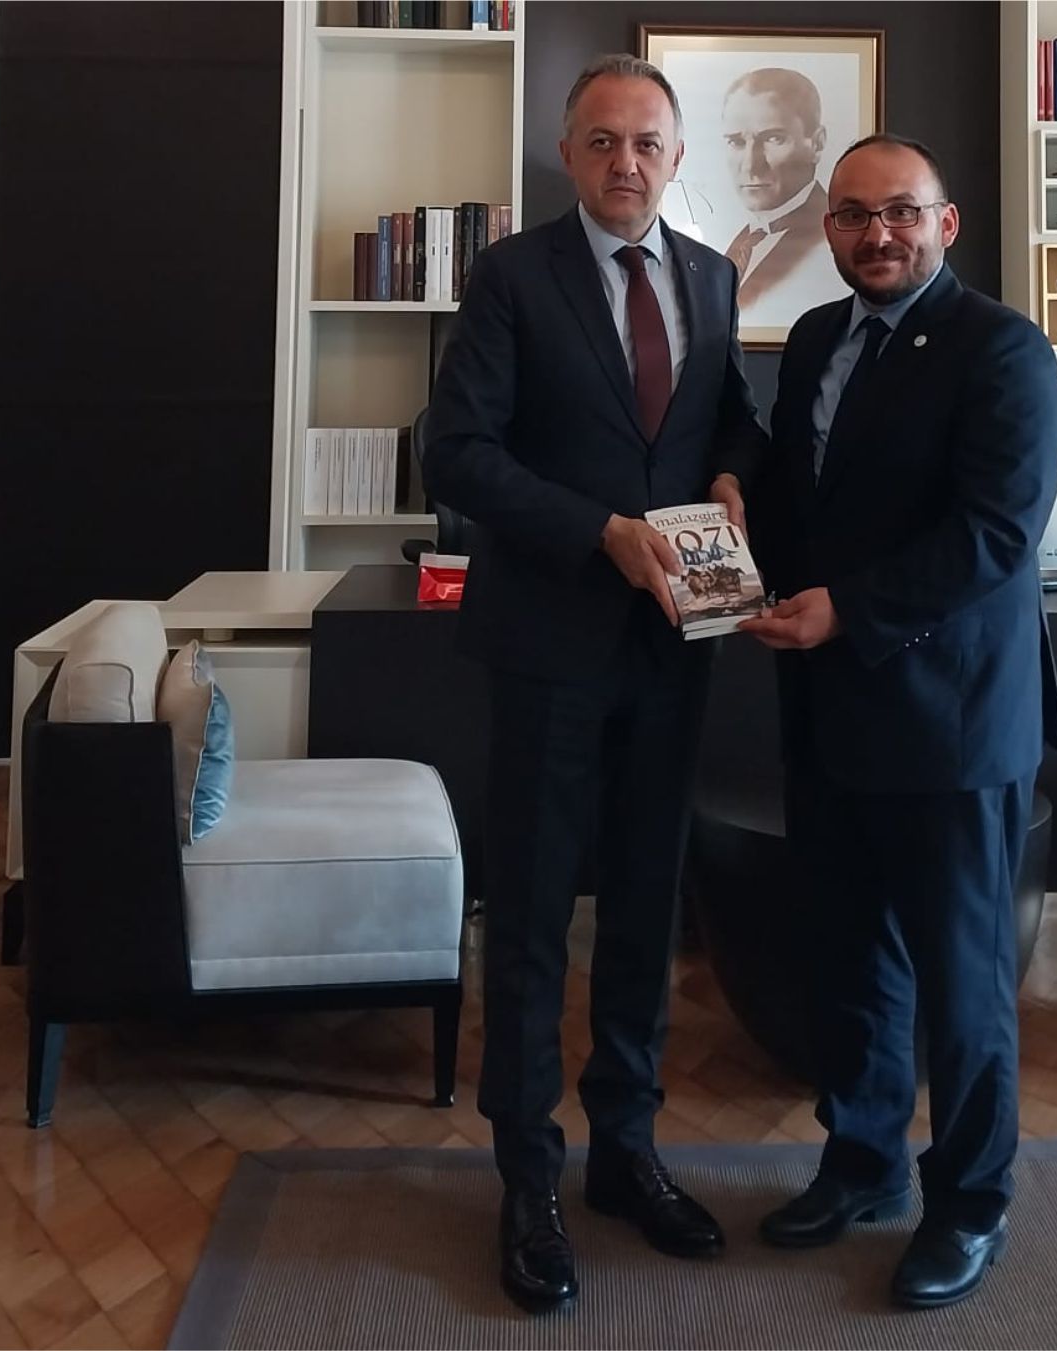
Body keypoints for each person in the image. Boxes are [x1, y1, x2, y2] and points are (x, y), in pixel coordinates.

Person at [422, 53, 765, 1314]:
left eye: (647, 142)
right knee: (526, 916)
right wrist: (599, 533)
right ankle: (528, 1178)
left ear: (677, 158)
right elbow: (456, 452)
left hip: (675, 646)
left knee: (644, 905)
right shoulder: (513, 276)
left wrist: (730, 477)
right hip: (547, 643)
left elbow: (730, 418)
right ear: (568, 154)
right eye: (603, 141)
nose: (627, 161)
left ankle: (626, 1150)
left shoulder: (712, 276)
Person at [739, 132, 1057, 1311]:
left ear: (945, 222)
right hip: (832, 706)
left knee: (961, 986)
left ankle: (969, 1203)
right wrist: (729, 532)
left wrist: (847, 610)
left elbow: (996, 532)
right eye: (853, 215)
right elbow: (799, 498)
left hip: (952, 720)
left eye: (900, 213)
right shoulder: (816, 337)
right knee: (850, 959)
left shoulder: (1003, 350)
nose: (876, 234)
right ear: (827, 227)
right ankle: (864, 1161)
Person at [719, 68, 843, 319]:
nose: (750, 165)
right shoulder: (740, 242)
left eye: (773, 139)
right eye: (736, 142)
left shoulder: (831, 243)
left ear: (817, 144)